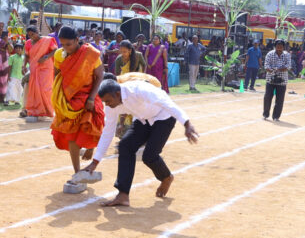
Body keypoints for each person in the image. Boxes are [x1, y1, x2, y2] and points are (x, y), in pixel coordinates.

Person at [84, 78, 200, 207]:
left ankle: (166, 177)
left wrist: (187, 124)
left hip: (163, 116)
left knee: (149, 156)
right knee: (125, 146)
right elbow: (108, 132)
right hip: (143, 119)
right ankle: (123, 195)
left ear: (117, 94)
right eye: (104, 102)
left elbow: (168, 103)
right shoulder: (112, 105)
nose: (107, 105)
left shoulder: (139, 90)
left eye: (108, 101)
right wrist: (95, 162)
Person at [50, 26, 105, 180]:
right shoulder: (59, 55)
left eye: (69, 44)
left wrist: (92, 98)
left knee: (91, 127)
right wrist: (59, 98)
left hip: (88, 97)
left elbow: (100, 75)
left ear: (76, 40)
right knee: (71, 136)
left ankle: (90, 148)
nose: (66, 48)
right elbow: (57, 76)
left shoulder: (91, 53)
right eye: (63, 44)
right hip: (68, 101)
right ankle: (77, 172)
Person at [23, 25, 57, 119]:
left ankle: (48, 110)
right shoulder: (28, 43)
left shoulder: (47, 40)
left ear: (37, 32)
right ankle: (37, 110)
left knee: (45, 89)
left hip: (46, 67)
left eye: (33, 34)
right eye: (29, 35)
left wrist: (46, 57)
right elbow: (26, 55)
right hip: (34, 68)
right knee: (35, 89)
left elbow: (55, 50)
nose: (31, 36)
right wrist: (23, 65)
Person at [262, 39, 291, 121]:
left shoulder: (287, 55)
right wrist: (271, 70)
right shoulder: (270, 54)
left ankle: (276, 116)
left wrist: (278, 69)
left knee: (280, 100)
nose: (279, 48)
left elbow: (288, 66)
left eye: (281, 46)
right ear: (275, 46)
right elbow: (266, 65)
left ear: (283, 47)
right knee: (267, 97)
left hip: (282, 80)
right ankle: (265, 114)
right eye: (277, 46)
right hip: (270, 79)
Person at [7, 42, 26, 106]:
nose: (18, 49)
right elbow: (10, 67)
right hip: (13, 75)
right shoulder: (12, 57)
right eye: (17, 48)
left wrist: (25, 75)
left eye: (20, 48)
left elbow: (25, 67)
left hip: (21, 76)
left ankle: (17, 101)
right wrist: (8, 76)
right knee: (11, 87)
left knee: (20, 89)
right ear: (14, 49)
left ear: (22, 49)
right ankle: (8, 100)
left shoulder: (24, 58)